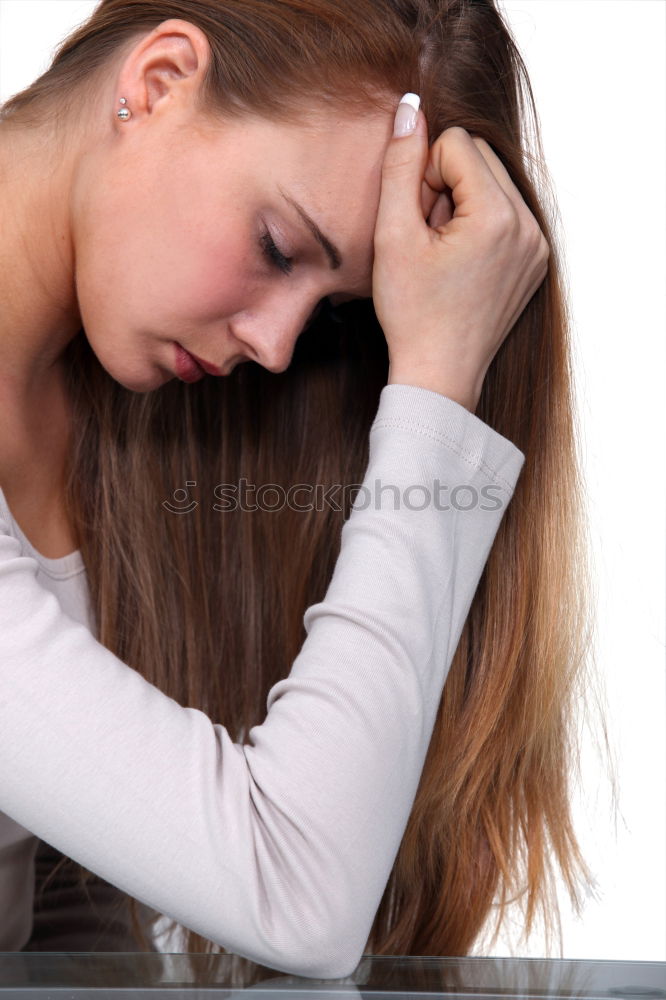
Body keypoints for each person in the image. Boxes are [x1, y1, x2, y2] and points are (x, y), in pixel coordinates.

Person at [0, 0, 604, 982]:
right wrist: (437, 385)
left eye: (327, 308)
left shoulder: (98, 422)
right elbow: (298, 892)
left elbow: (51, 917)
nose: (277, 347)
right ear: (157, 85)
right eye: (280, 247)